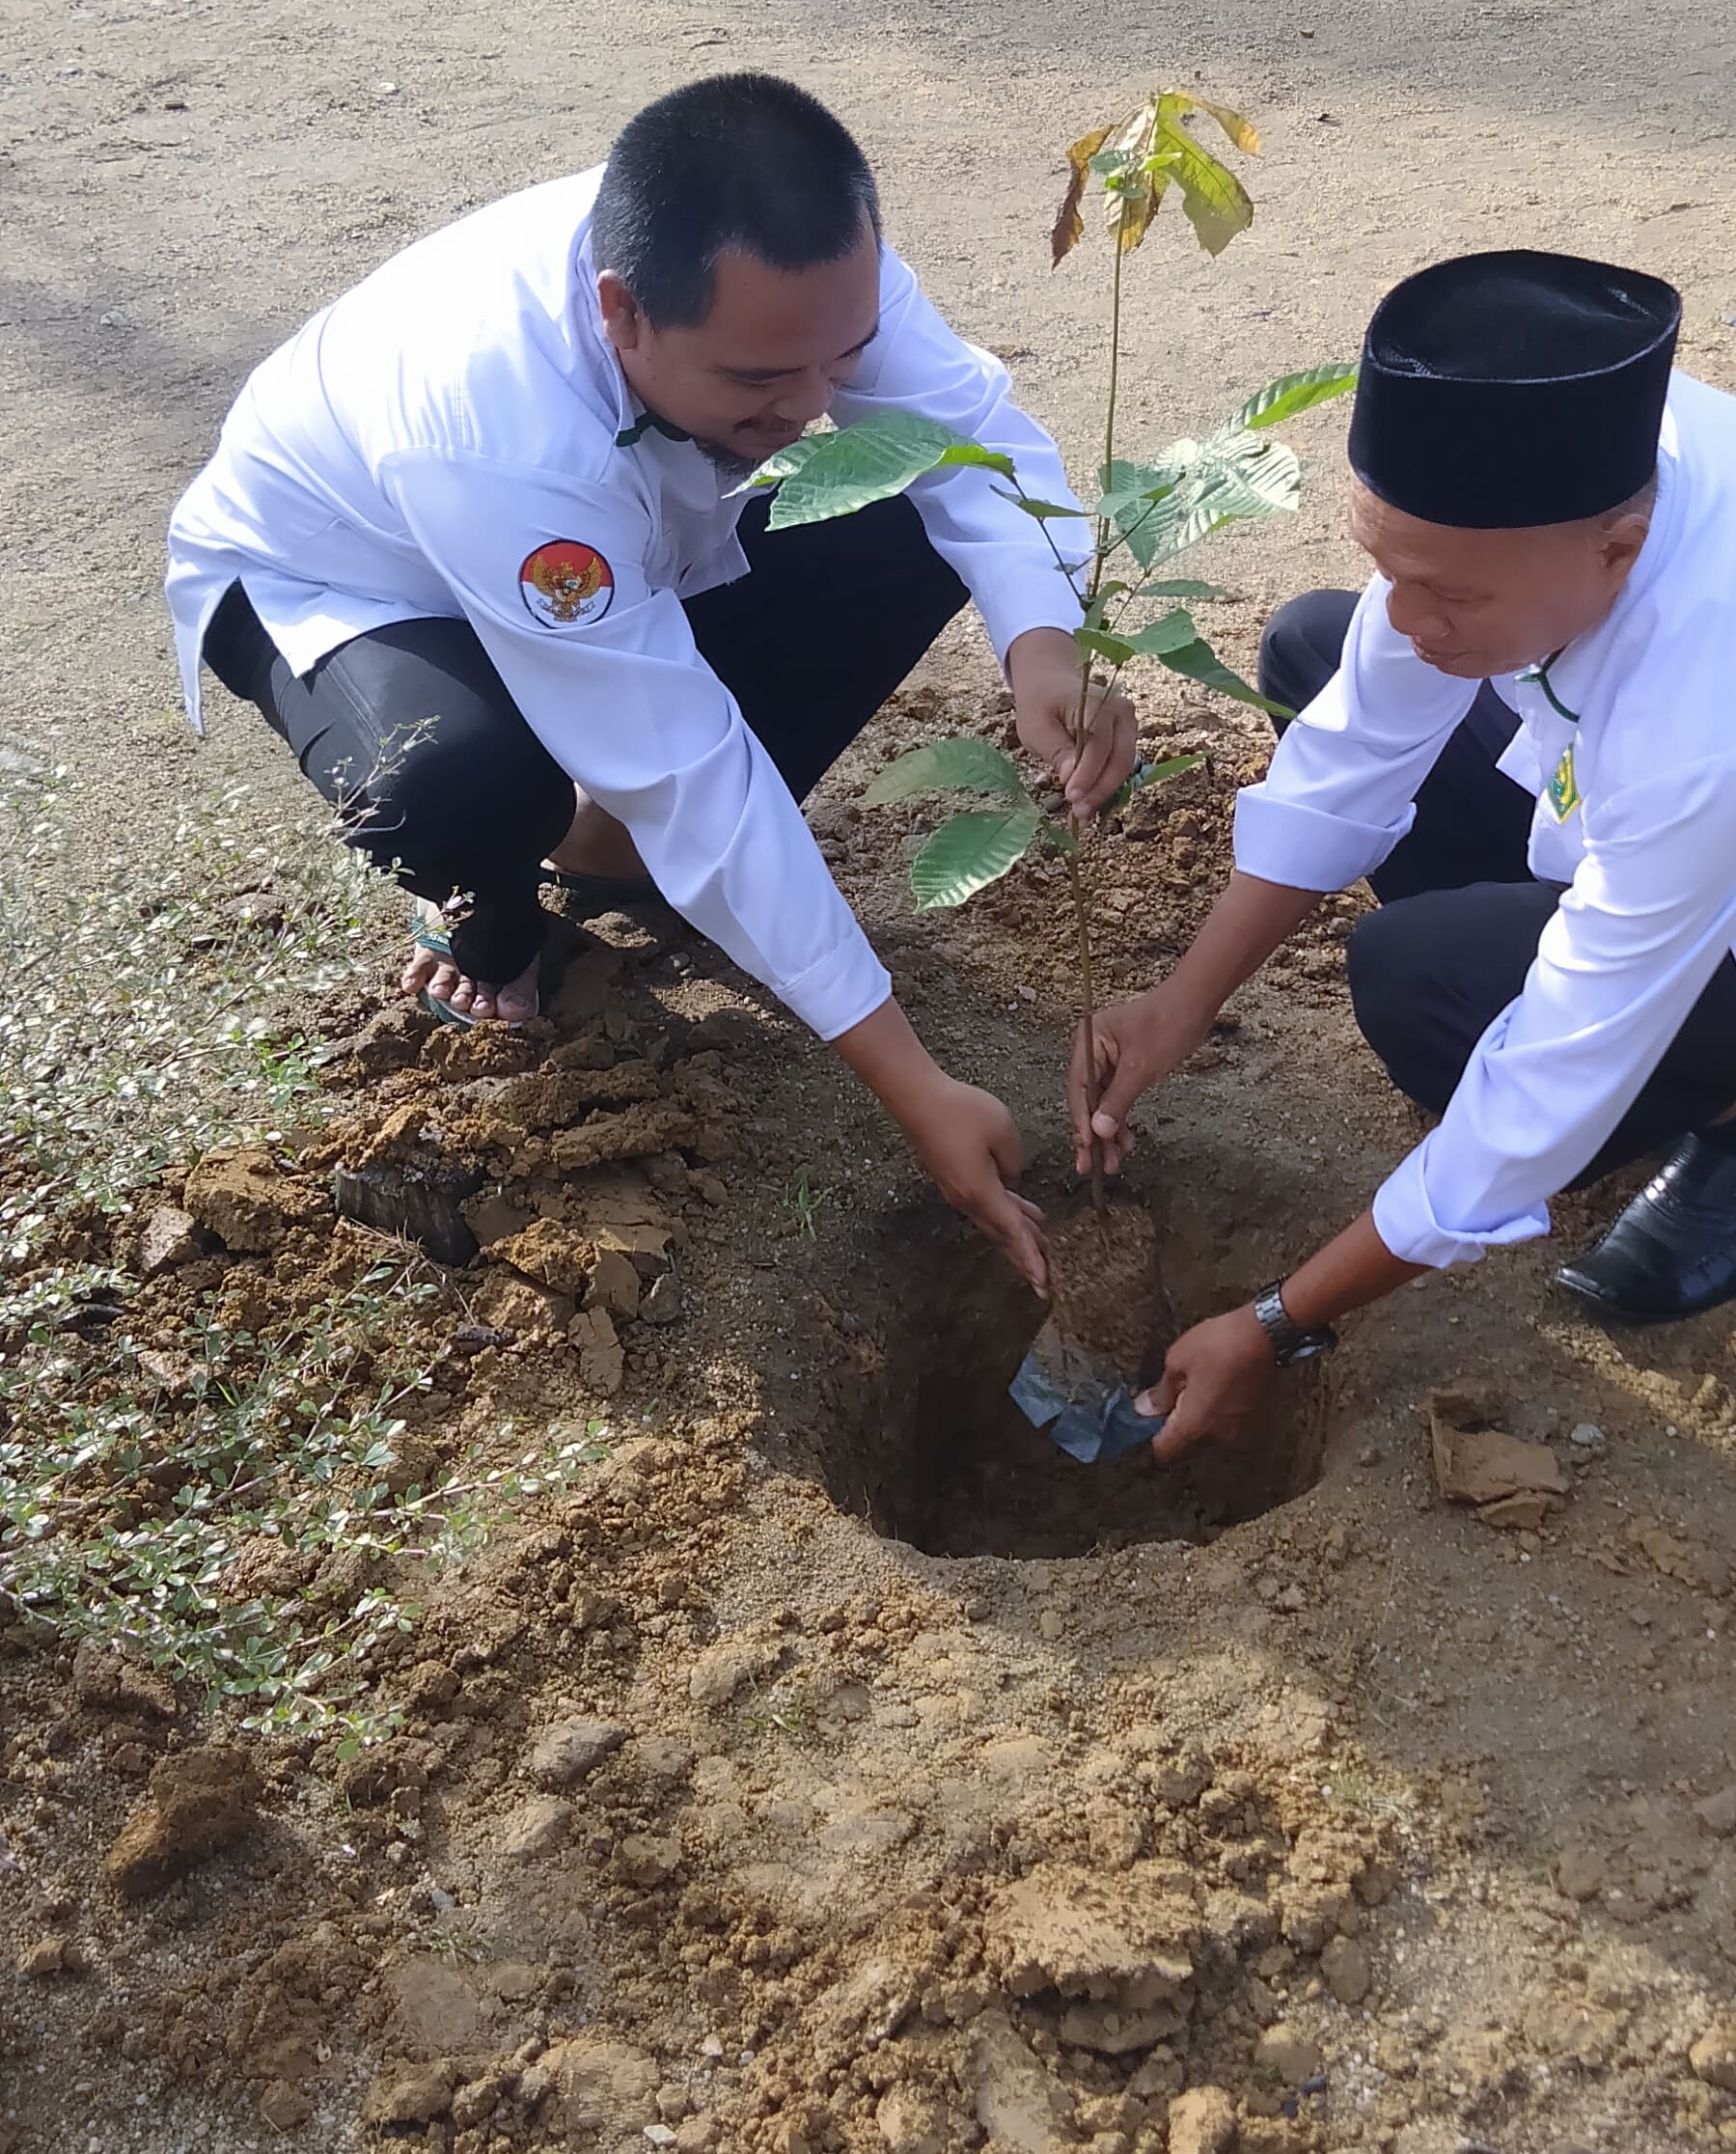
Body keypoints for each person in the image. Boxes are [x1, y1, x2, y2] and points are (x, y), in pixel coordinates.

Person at [168, 72, 1132, 1292]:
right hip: (350, 576)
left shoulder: (807, 283)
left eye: (841, 357)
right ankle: (503, 916)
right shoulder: (495, 422)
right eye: (760, 383)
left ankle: (608, 851)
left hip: (627, 523)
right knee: (454, 783)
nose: (814, 406)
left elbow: (968, 438)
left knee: (898, 508)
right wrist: (916, 1084)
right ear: (621, 312)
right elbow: (690, 768)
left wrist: (1045, 638)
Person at [1068, 250, 1736, 1459]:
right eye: (1389, 565)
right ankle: (1582, 987)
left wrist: (1277, 1319)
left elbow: (1551, 1073)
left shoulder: (1729, 693)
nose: (1409, 619)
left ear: (1617, 549)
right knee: (1316, 645)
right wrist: (1178, 1003)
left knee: (1421, 985)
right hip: (1651, 828)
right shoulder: (1568, 460)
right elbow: (1353, 748)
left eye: (1446, 593)